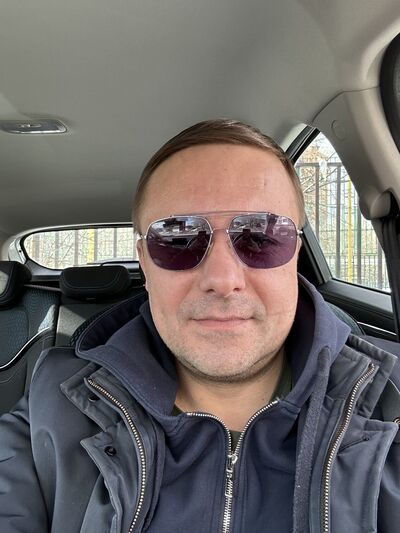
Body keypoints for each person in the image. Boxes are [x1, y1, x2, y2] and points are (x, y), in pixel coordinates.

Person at [0, 119, 399, 533]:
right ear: (144, 262)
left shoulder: (391, 404)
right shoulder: (53, 407)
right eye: (177, 238)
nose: (223, 279)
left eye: (261, 236)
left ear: (295, 252)